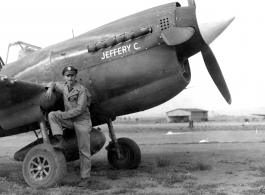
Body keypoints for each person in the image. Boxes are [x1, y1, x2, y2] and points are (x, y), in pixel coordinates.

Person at [45, 66, 92, 187]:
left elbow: (80, 110)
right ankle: (60, 140)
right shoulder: (64, 86)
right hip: (70, 120)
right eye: (67, 75)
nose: (70, 78)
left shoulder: (82, 90)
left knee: (84, 151)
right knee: (52, 115)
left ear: (75, 76)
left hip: (82, 122)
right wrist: (50, 88)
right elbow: (54, 83)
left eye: (72, 75)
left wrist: (64, 114)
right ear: (64, 77)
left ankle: (85, 179)